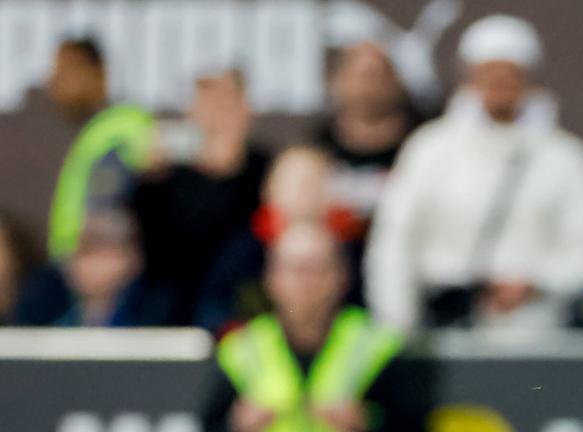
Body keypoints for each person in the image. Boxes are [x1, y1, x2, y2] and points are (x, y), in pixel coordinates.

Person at [364, 14, 583, 332]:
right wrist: (398, 327)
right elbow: (394, 243)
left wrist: (534, 284)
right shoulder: (430, 150)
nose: (501, 85)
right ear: (469, 77)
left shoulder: (567, 159)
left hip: (539, 333)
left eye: (511, 74)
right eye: (489, 74)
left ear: (529, 78)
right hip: (444, 330)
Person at [197, 221, 432, 432]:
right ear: (271, 278)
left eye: (316, 269)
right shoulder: (243, 350)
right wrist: (237, 429)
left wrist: (367, 425)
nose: (305, 283)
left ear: (341, 276)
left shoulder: (374, 345)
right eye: (294, 269)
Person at [131, 67, 272, 326]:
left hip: (243, 302)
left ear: (245, 108)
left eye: (224, 102)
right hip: (175, 305)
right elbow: (153, 251)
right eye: (205, 101)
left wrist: (230, 169)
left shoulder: (265, 171)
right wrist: (151, 179)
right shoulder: (166, 175)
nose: (214, 114)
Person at [196, 145, 366, 332]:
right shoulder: (248, 246)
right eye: (295, 184)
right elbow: (215, 300)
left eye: (314, 183)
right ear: (268, 190)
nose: (305, 195)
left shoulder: (350, 245)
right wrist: (231, 332)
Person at [44, 36, 152, 263]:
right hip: (77, 266)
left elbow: (107, 210)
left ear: (98, 72)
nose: (54, 81)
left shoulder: (120, 129)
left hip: (99, 268)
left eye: (67, 70)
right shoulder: (96, 131)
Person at [313, 39, 422, 237]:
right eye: (359, 75)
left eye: (377, 75)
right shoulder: (317, 145)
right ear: (337, 81)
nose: (367, 86)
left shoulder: (422, 146)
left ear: (397, 81)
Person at [16, 210, 172, 328]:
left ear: (133, 259)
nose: (91, 265)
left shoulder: (156, 313)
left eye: (103, 252)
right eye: (84, 252)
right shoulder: (45, 310)